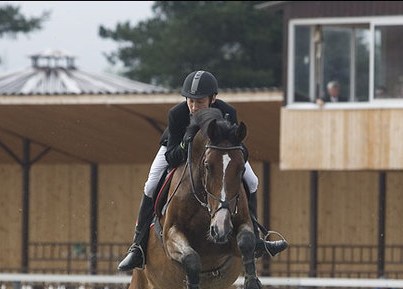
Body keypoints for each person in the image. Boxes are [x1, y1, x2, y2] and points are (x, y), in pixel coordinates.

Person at [118, 70, 288, 271]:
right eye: (190, 101)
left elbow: (239, 148)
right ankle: (137, 246)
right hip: (176, 150)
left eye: (199, 101)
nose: (194, 106)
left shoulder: (227, 112)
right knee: (151, 183)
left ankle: (258, 238)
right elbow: (171, 156)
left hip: (218, 154)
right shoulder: (177, 114)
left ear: (213, 98)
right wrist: (185, 145)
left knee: (253, 181)